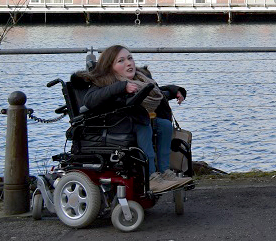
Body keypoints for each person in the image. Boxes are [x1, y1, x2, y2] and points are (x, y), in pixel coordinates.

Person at [79, 45, 192, 193]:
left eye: (130, 58)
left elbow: (155, 93)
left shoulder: (141, 78)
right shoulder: (104, 82)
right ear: (110, 66)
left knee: (164, 125)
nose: (128, 63)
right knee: (143, 124)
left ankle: (165, 172)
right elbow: (90, 100)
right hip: (115, 125)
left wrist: (174, 91)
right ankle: (151, 177)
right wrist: (121, 87)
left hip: (134, 121)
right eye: (121, 61)